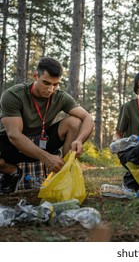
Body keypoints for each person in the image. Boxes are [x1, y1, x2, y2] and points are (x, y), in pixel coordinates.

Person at [0, 57, 95, 194]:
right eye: (46, 83)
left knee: (75, 122)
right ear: (35, 77)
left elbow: (88, 118)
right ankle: (12, 172)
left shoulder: (61, 97)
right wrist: (47, 158)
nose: (50, 89)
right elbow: (14, 135)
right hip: (12, 145)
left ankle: (62, 173)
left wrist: (79, 140)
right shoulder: (13, 95)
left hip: (42, 140)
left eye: (56, 84)